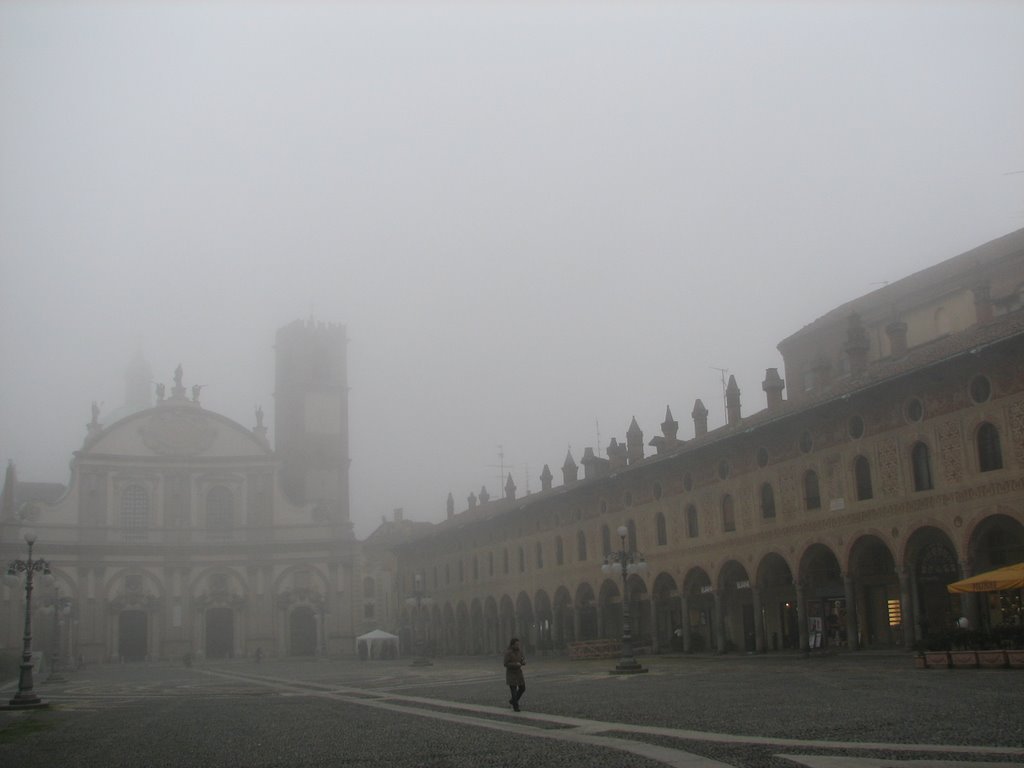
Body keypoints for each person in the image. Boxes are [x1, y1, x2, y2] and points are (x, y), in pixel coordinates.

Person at [503, 637, 526, 711]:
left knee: (522, 688)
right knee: (513, 690)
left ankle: (513, 700)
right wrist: (515, 664)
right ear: (512, 645)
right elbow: (505, 663)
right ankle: (516, 707)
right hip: (511, 673)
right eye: (516, 644)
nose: (518, 645)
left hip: (518, 673)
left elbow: (522, 659)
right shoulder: (508, 652)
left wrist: (523, 662)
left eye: (518, 644)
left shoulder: (520, 651)